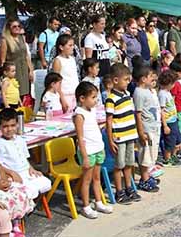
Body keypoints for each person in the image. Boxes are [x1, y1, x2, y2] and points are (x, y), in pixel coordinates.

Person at [73, 82, 113, 218]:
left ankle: (98, 201)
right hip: (88, 151)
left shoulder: (93, 110)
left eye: (96, 97)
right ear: (82, 98)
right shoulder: (79, 114)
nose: (96, 100)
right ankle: (85, 206)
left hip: (98, 148)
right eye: (93, 97)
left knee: (97, 178)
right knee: (86, 179)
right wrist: (84, 156)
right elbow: (80, 137)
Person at [0, 108, 52, 200]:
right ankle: (27, 206)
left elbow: (25, 158)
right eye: (5, 126)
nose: (9, 129)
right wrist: (11, 173)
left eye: (12, 125)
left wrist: (32, 168)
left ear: (17, 124)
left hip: (26, 172)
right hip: (13, 174)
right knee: (29, 190)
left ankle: (32, 202)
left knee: (46, 183)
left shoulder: (20, 140)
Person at [105, 63, 142, 204]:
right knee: (118, 165)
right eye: (125, 79)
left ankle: (129, 188)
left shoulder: (127, 95)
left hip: (130, 136)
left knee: (129, 163)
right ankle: (119, 191)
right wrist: (111, 140)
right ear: (115, 80)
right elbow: (109, 121)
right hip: (119, 137)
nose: (128, 82)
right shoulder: (111, 99)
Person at [132, 66, 161, 192]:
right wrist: (141, 132)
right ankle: (144, 179)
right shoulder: (138, 93)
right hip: (146, 129)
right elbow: (138, 114)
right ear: (143, 79)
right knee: (145, 155)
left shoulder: (149, 91)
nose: (153, 79)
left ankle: (148, 176)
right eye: (150, 77)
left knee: (152, 153)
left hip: (154, 127)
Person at [0, 19, 33, 103]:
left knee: (24, 94)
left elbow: (26, 55)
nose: (17, 28)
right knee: (13, 94)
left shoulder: (22, 38)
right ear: (9, 28)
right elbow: (2, 60)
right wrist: (5, 75)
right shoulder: (5, 40)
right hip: (13, 70)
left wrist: (31, 70)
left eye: (19, 26)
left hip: (24, 69)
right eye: (14, 26)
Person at [158, 70, 181, 166]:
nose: (174, 85)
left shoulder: (167, 92)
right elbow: (162, 110)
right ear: (168, 83)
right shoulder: (162, 94)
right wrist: (165, 125)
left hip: (174, 120)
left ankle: (173, 155)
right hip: (168, 122)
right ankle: (167, 159)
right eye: (173, 83)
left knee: (176, 140)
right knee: (169, 142)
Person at [52, 34, 79, 112]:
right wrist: (62, 99)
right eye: (70, 45)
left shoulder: (72, 59)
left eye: (73, 45)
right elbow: (57, 81)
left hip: (75, 94)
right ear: (61, 47)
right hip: (65, 95)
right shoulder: (58, 60)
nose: (72, 48)